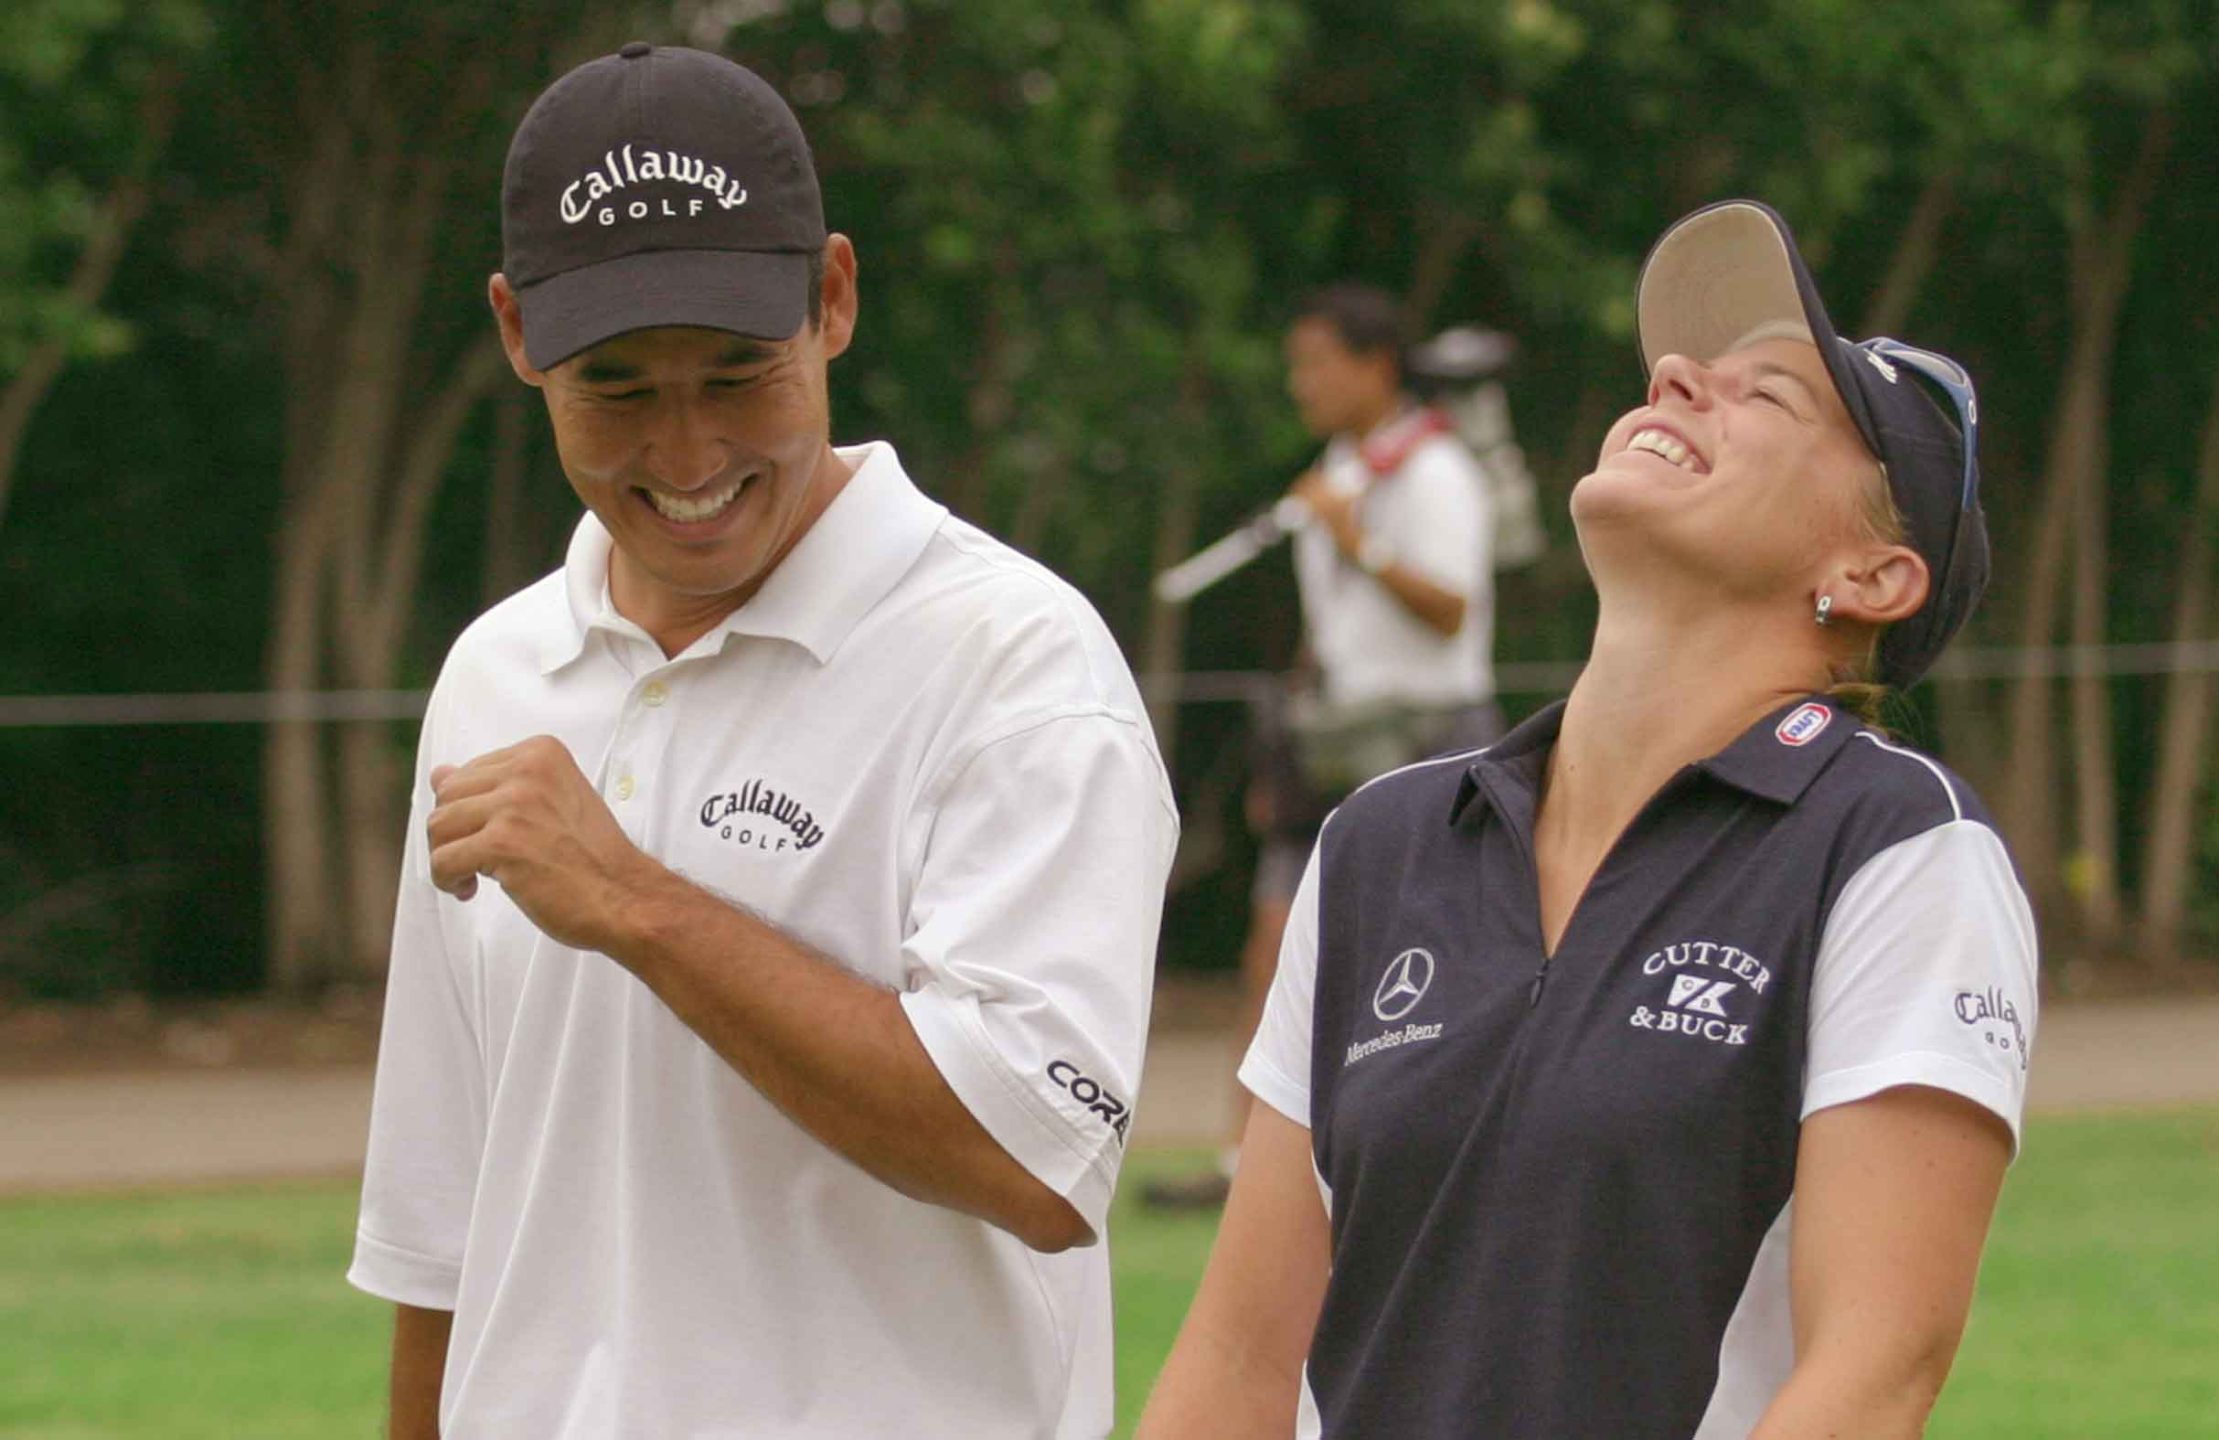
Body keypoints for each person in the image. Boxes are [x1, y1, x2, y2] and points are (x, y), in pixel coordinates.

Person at [346, 44, 1176, 1440]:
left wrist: (633, 904)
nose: (685, 454)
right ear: (512, 331)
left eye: (739, 372)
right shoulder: (496, 673)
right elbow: (445, 1229)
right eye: (616, 387)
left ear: (834, 299)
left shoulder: (1015, 665)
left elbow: (1035, 1158)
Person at [1136, 198, 2035, 1438]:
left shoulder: (1893, 847)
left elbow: (1871, 1373)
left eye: (1765, 395)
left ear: (1869, 577)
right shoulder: (1378, 845)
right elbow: (1239, 1362)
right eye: (1681, 370)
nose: (1673, 376)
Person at [1144, 283, 1502, 1210]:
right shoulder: (1340, 466)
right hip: (1333, 738)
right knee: (1274, 941)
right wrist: (1284, 752)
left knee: (1443, 952)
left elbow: (1453, 608)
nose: (1300, 382)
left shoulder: (1435, 472)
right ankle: (1242, 1163)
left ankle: (1448, 1151)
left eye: (1316, 362)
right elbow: (1331, 627)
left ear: (1375, 365)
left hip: (1428, 735)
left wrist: (1358, 543)